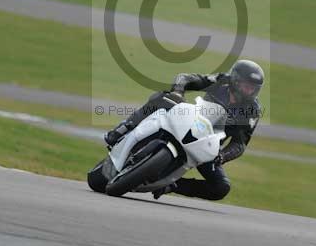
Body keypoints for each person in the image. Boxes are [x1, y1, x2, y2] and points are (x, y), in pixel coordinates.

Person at [105, 59, 264, 201]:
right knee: (163, 96)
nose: (248, 91)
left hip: (206, 145)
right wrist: (178, 92)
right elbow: (187, 78)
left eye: (252, 88)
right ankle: (124, 127)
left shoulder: (252, 111)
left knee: (221, 187)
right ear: (235, 80)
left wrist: (222, 156)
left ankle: (172, 185)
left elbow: (240, 143)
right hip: (189, 122)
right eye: (245, 86)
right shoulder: (221, 81)